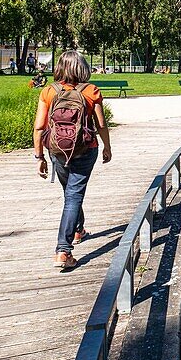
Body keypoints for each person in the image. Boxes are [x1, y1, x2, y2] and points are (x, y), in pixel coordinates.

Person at [32, 51, 112, 270]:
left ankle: (78, 229)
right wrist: (107, 146)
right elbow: (101, 124)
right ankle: (63, 250)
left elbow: (39, 127)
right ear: (82, 68)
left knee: (71, 192)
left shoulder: (49, 91)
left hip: (57, 149)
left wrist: (39, 156)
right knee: (73, 195)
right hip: (86, 150)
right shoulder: (90, 91)